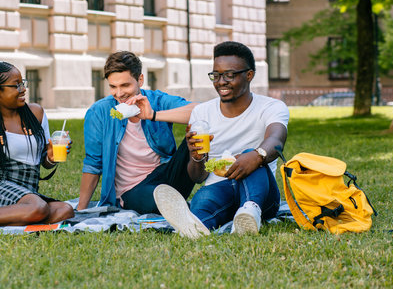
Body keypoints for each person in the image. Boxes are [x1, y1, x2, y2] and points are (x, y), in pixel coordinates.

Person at [154, 41, 289, 238]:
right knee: (203, 200)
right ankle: (194, 225)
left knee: (249, 156)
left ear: (249, 75)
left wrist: (256, 155)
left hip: (261, 193)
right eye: (216, 75)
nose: (221, 81)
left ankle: (249, 212)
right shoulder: (202, 112)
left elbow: (276, 140)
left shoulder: (271, 107)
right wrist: (197, 157)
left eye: (229, 75)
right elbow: (197, 177)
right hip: (219, 188)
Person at [0, 56, 74, 228]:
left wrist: (50, 157)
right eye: (16, 85)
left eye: (23, 83)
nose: (23, 89)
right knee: (39, 208)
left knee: (65, 210)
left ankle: (6, 219)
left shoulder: (36, 114)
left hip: (27, 192)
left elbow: (44, 163)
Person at [78, 51, 198, 214]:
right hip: (132, 191)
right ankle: (184, 208)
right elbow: (93, 164)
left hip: (165, 177)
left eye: (125, 85)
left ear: (140, 80)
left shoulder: (156, 101)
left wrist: (153, 115)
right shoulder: (99, 112)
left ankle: (179, 206)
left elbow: (201, 112)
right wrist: (80, 210)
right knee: (157, 201)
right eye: (113, 86)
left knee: (196, 134)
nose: (119, 94)